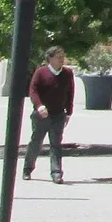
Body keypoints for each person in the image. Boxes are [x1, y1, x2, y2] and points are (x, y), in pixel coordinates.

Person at [23, 46, 74, 184]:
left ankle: (56, 173)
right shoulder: (41, 72)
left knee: (56, 144)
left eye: (63, 57)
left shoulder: (67, 73)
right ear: (50, 58)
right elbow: (33, 91)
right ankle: (27, 169)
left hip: (58, 114)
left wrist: (68, 112)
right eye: (58, 57)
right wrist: (39, 106)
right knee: (36, 142)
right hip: (42, 114)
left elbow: (70, 93)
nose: (61, 60)